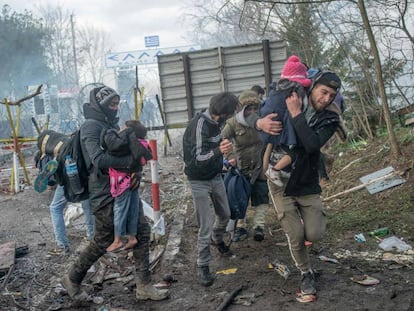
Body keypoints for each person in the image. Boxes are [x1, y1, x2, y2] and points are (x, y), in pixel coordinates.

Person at [61, 85, 169, 302]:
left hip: (124, 188)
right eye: (111, 103)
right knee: (103, 239)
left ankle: (144, 285)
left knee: (142, 231)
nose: (115, 107)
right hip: (104, 193)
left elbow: (125, 149)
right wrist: (131, 164)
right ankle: (72, 277)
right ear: (99, 104)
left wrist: (135, 172)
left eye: (117, 103)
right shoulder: (90, 127)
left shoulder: (109, 123)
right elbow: (98, 160)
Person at [253, 69, 343, 296]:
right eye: (323, 92)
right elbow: (258, 112)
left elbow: (311, 145)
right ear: (312, 87)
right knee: (294, 233)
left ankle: (308, 226)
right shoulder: (289, 96)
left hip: (305, 178)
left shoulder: (330, 118)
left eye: (332, 95)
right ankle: (305, 273)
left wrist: (296, 115)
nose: (326, 99)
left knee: (314, 233)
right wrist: (259, 124)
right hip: (278, 180)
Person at [182, 92, 239, 287]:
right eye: (230, 113)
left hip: (215, 176)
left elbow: (213, 149)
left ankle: (218, 238)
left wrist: (223, 158)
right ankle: (203, 264)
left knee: (225, 214)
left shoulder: (218, 124)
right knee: (205, 224)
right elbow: (198, 158)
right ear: (223, 113)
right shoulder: (199, 125)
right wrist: (218, 151)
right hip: (198, 179)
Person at [221, 90, 270, 242]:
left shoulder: (264, 120)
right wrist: (230, 158)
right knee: (240, 198)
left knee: (261, 195)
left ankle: (259, 227)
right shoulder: (233, 123)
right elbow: (222, 140)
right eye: (249, 108)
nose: (253, 112)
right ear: (241, 109)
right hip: (241, 167)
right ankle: (241, 226)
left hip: (261, 166)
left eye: (256, 108)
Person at [260, 55, 312, 187]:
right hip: (280, 129)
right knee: (296, 150)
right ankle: (275, 170)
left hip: (270, 130)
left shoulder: (275, 90)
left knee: (289, 151)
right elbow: (296, 110)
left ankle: (277, 169)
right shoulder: (294, 93)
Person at [101, 120, 152, 252]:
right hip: (133, 180)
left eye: (124, 127)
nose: (121, 129)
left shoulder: (124, 142)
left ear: (129, 130)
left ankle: (117, 240)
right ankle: (132, 237)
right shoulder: (140, 144)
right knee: (133, 209)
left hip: (121, 182)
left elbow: (110, 154)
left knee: (120, 209)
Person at [48, 185, 95, 254]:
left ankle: (62, 245)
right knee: (88, 207)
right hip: (86, 178)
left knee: (55, 208)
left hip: (67, 179)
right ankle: (91, 239)